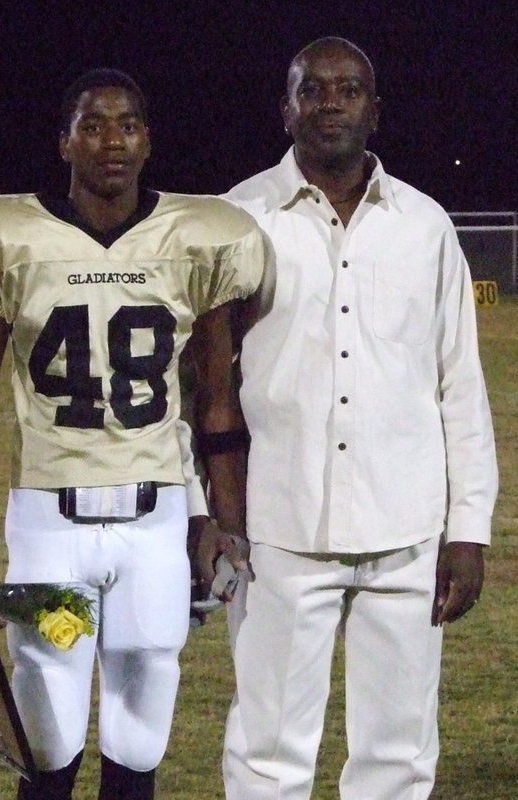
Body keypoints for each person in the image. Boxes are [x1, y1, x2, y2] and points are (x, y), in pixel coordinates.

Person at [0, 68, 264, 800]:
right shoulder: (9, 239)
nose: (112, 140)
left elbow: (215, 406)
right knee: (49, 734)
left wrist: (225, 528)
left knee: (139, 738)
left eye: (128, 123)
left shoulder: (197, 241)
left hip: (152, 528)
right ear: (65, 141)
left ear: (149, 140)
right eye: (93, 124)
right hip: (52, 528)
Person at [218, 37, 498, 800]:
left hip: (406, 527)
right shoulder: (236, 220)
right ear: (287, 109)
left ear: (374, 110)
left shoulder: (424, 224)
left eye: (348, 89)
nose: (331, 102)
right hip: (277, 529)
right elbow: (201, 385)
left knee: (398, 757)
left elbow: (458, 384)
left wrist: (467, 529)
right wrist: (204, 510)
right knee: (268, 752)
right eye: (313, 89)